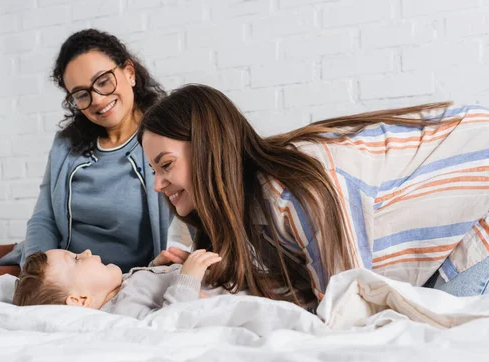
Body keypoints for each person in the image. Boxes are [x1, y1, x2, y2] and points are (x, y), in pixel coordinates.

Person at [138, 83, 489, 309]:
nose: (158, 185)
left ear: (208, 150)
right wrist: (192, 280)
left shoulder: (291, 191)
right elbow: (302, 294)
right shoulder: (254, 212)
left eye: (165, 165)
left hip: (479, 202)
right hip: (451, 229)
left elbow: (347, 309)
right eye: (154, 171)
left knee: (435, 332)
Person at [0, 29, 186, 293]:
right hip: (40, 261)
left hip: (80, 282)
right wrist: (36, 265)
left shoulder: (160, 143)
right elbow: (44, 217)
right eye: (81, 94)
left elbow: (201, 209)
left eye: (103, 82)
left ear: (129, 73)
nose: (96, 99)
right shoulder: (68, 144)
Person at [13, 248, 222, 320]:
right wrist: (188, 279)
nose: (85, 252)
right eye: (76, 259)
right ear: (81, 300)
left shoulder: (120, 287)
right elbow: (165, 323)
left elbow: (147, 293)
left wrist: (155, 268)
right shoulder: (122, 308)